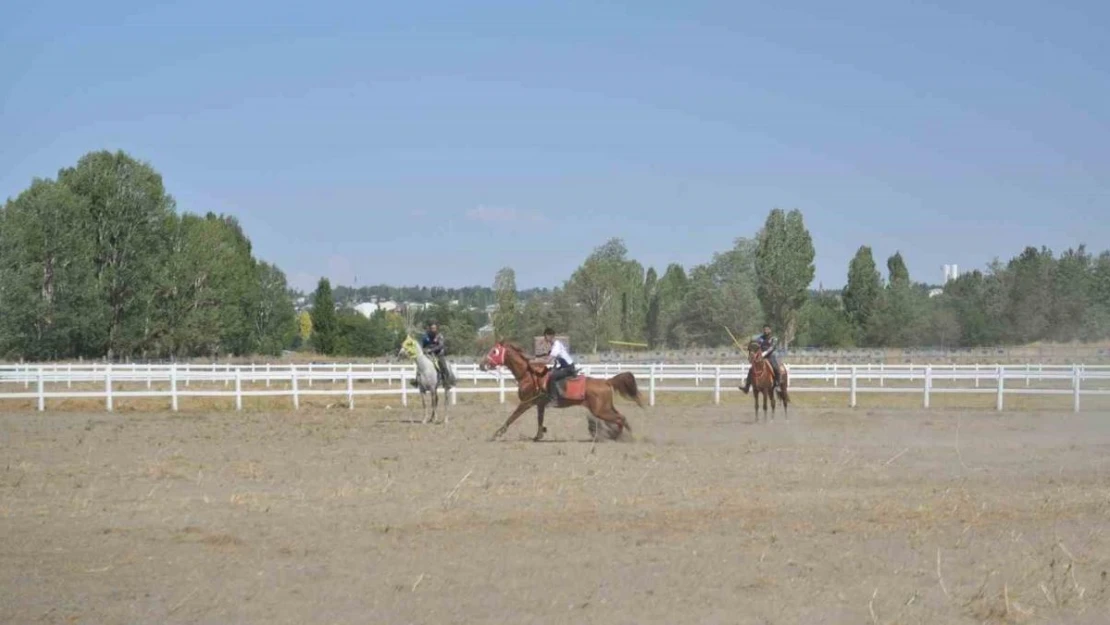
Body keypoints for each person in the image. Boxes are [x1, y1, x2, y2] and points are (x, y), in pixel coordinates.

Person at [533, 327, 577, 401]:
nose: (545, 339)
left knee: (552, 376)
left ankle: (554, 398)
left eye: (545, 337)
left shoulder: (556, 346)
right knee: (549, 372)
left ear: (549, 336)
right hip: (564, 367)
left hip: (568, 368)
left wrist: (533, 362)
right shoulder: (554, 345)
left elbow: (548, 360)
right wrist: (533, 357)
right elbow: (545, 355)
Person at [740, 324, 781, 393]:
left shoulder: (774, 338)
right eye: (764, 329)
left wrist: (764, 353)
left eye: (767, 329)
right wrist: (746, 347)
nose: (765, 331)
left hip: (770, 356)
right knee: (751, 369)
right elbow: (754, 345)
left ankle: (777, 385)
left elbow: (772, 348)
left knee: (776, 368)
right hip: (760, 357)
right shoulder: (760, 338)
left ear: (770, 330)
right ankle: (747, 387)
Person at [421, 322, 455, 389]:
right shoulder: (427, 336)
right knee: (421, 364)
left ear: (436, 329)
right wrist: (424, 349)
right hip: (429, 354)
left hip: (438, 354)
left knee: (444, 366)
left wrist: (432, 350)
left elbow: (440, 345)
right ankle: (417, 380)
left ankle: (446, 382)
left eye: (434, 328)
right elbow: (424, 345)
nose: (433, 329)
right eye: (432, 328)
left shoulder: (439, 336)